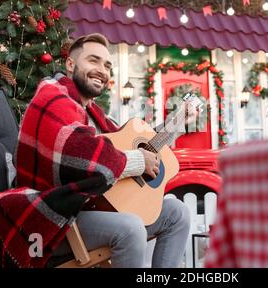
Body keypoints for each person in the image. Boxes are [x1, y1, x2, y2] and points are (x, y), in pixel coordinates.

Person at [14, 33, 191, 267]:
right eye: (93, 61)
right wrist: (139, 160)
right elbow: (79, 153)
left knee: (177, 212)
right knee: (131, 229)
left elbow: (124, 147)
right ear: (70, 64)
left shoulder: (92, 111)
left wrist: (176, 124)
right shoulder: (53, 97)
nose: (102, 70)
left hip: (90, 206)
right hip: (56, 216)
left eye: (107, 65)